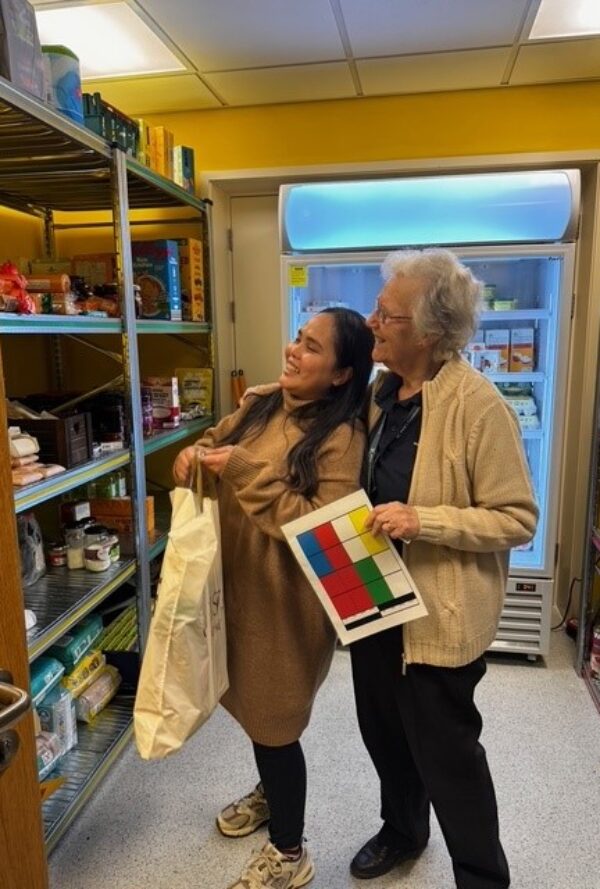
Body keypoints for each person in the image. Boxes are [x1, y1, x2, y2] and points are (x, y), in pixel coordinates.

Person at [350, 249, 538, 888]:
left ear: (429, 333)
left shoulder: (479, 406)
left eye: (387, 314)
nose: (372, 322)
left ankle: (482, 877)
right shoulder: (382, 392)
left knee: (449, 759)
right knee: (384, 735)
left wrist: (424, 520)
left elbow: (516, 518)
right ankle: (403, 831)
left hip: (438, 617)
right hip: (373, 598)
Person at [173, 307, 374, 889]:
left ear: (341, 374)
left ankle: (289, 851)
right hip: (236, 587)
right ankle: (270, 791)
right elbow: (212, 443)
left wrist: (239, 470)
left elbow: (321, 527)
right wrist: (192, 455)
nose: (293, 350)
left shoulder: (342, 437)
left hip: (287, 606)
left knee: (277, 721)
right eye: (297, 338)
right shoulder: (261, 401)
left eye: (311, 347)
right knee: (254, 709)